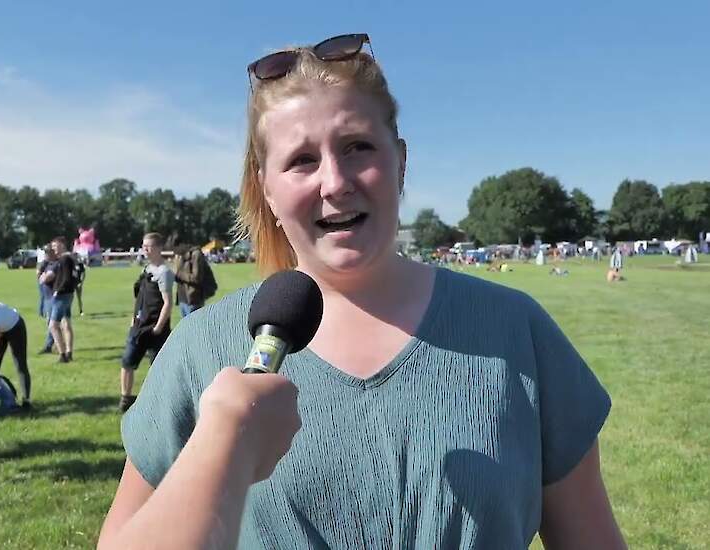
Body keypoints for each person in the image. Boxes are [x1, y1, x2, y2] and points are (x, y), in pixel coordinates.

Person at [100, 34, 626, 548]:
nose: (335, 181)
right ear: (266, 187)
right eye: (302, 160)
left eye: (357, 148)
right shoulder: (201, 349)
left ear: (399, 161)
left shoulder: (517, 331)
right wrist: (223, 446)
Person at [118, 232, 174, 413]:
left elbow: (168, 302)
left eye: (148, 246)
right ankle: (125, 399)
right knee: (127, 362)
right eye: (144, 246)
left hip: (155, 328)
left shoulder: (164, 272)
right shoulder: (146, 269)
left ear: (158, 248)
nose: (145, 250)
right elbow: (140, 298)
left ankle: (157, 403)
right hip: (139, 326)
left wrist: (158, 327)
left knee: (157, 369)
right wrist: (133, 318)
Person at [40, 237, 76, 363]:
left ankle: (63, 355)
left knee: (53, 325)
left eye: (55, 246)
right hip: (68, 294)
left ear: (62, 245)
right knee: (66, 323)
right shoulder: (70, 258)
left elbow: (67, 278)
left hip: (62, 295)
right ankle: (69, 352)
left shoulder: (65, 259)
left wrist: (58, 291)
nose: (53, 249)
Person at [174, 244, 217, 317]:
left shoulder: (196, 254)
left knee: (194, 326)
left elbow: (196, 278)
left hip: (193, 300)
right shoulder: (180, 255)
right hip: (183, 299)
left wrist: (178, 274)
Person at [36, 246, 57, 354]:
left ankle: (51, 345)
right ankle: (54, 345)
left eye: (49, 252)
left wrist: (43, 276)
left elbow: (45, 278)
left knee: (53, 322)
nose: (47, 255)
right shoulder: (45, 263)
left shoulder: (56, 263)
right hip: (46, 295)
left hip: (53, 296)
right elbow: (38, 276)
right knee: (51, 322)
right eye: (46, 253)